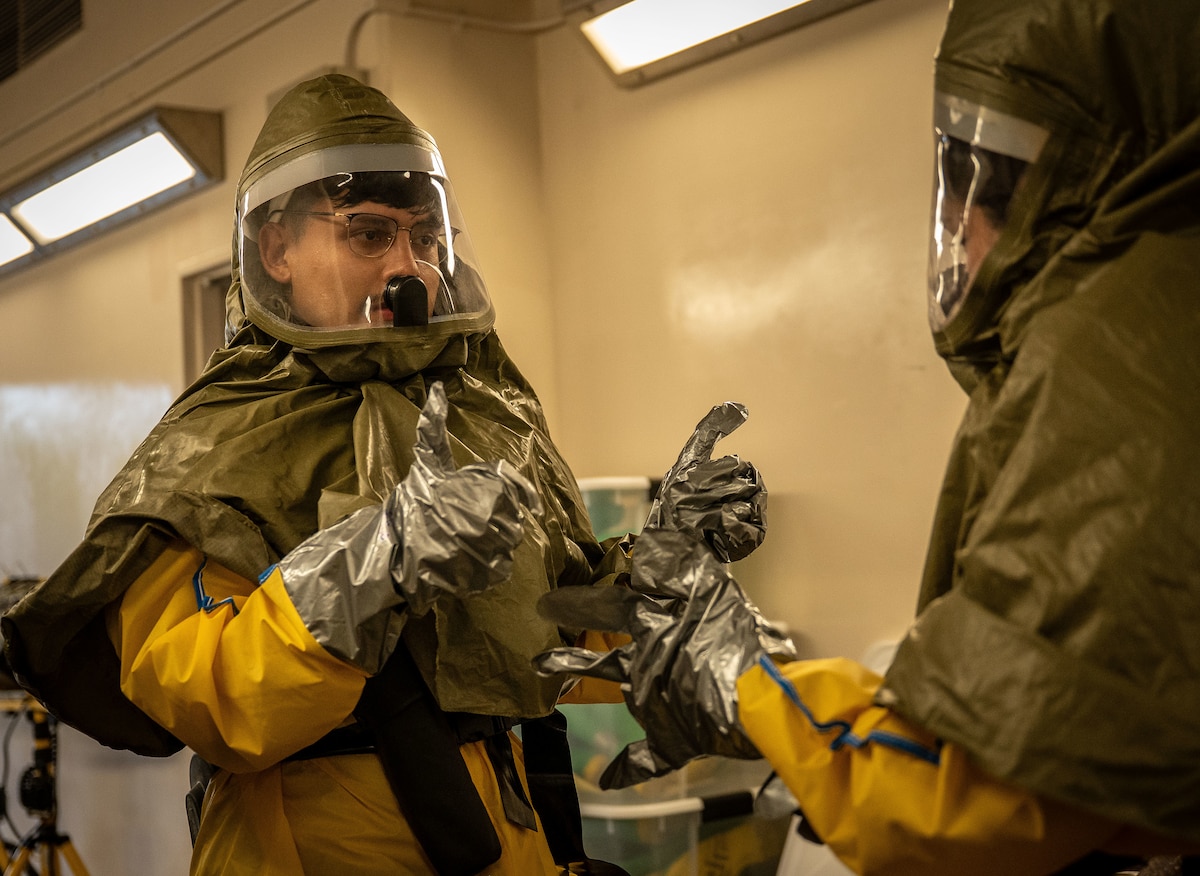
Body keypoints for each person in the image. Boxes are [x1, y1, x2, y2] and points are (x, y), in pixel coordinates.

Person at [0, 74, 765, 876]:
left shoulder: (484, 410)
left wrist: (667, 563)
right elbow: (201, 692)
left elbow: (556, 637)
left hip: (509, 830)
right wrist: (366, 571)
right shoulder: (211, 446)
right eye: (369, 234)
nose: (411, 271)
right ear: (278, 250)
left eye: (426, 238)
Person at [535, 1, 1200, 874]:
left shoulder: (1117, 343)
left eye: (994, 183)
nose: (964, 224)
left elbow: (966, 788)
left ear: (1101, 170)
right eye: (961, 176)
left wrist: (748, 681)